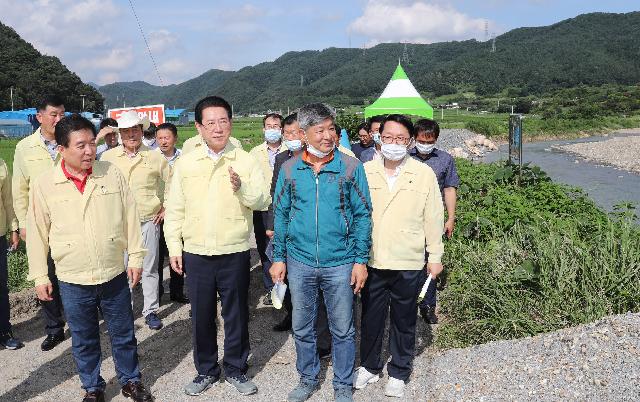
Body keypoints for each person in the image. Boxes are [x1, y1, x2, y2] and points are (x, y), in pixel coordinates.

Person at [26, 114, 153, 402]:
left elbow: (130, 218)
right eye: (80, 145)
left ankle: (131, 380)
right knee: (84, 338)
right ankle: (92, 387)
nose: (89, 151)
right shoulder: (45, 184)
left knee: (123, 334)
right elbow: (36, 232)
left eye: (91, 144)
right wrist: (40, 276)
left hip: (113, 273)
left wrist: (135, 257)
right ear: (62, 149)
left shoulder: (110, 172)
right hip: (72, 277)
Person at [164, 96, 270, 397]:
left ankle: (236, 368)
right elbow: (174, 209)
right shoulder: (186, 163)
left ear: (231, 123)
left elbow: (263, 200)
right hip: (196, 252)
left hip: (233, 250)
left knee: (236, 313)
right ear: (198, 127)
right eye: (210, 122)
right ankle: (206, 370)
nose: (218, 128)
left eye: (223, 121)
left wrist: (242, 187)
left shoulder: (245, 160)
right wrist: (174, 247)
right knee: (201, 314)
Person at [270, 103, 372, 402]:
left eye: (331, 129)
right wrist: (279, 257)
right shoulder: (290, 169)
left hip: (340, 261)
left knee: (343, 327)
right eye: (320, 130)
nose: (328, 136)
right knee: (302, 325)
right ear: (303, 134)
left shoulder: (351, 167)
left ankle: (342, 383)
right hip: (299, 261)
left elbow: (363, 215)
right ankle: (308, 377)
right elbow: (281, 215)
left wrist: (360, 261)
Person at [354, 114, 444, 398]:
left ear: (410, 141)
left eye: (401, 139)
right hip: (373, 259)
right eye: (388, 137)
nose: (393, 143)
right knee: (370, 317)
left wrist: (435, 255)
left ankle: (399, 370)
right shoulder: (365, 170)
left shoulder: (423, 173)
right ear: (379, 138)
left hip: (409, 259)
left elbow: (433, 217)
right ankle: (369, 366)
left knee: (404, 319)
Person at [265, 114, 331, 358]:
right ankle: (293, 319)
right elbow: (276, 196)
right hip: (289, 233)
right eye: (288, 133)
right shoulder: (282, 159)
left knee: (319, 291)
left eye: (296, 133)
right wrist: (272, 225)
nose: (292, 138)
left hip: (314, 235)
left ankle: (323, 339)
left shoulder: (322, 158)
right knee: (290, 282)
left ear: (305, 133)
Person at [101, 111, 170, 331]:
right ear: (120, 133)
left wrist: (165, 207)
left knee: (149, 267)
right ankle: (125, 311)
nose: (131, 135)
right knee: (121, 269)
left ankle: (150, 310)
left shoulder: (154, 156)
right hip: (118, 223)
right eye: (127, 131)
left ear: (142, 131)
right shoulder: (108, 158)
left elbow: (172, 182)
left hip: (147, 219)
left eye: (135, 130)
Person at [12, 95, 66, 351]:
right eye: (54, 114)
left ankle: (80, 321)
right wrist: (22, 222)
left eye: (62, 115)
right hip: (38, 223)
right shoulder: (25, 147)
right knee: (44, 275)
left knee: (70, 272)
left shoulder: (70, 142)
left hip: (70, 220)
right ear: (39, 116)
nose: (58, 119)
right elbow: (19, 189)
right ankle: (54, 328)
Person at [410, 119, 459, 324]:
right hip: (408, 219)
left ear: (436, 139)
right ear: (414, 139)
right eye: (420, 140)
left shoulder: (445, 160)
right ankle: (407, 301)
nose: (424, 144)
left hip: (433, 220)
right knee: (409, 262)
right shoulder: (404, 157)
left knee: (431, 262)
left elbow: (449, 188)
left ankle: (428, 305)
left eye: (428, 141)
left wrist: (451, 217)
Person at [249, 113, 286, 305]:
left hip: (285, 208)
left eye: (276, 126)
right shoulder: (254, 153)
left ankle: (287, 287)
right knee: (265, 249)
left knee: (286, 247)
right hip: (262, 208)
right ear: (264, 129)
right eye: (269, 126)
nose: (272, 129)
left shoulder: (290, 150)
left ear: (282, 129)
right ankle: (271, 288)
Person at [154, 123, 188, 303]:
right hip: (156, 215)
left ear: (175, 138)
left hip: (177, 214)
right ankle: (157, 293)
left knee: (177, 252)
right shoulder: (151, 158)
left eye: (167, 137)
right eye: (159, 138)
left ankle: (177, 291)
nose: (163, 141)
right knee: (157, 257)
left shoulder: (185, 158)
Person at [0, 157, 22, 350]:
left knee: (1, 286)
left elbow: (8, 200)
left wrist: (13, 228)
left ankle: (5, 331)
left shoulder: (1, 164)